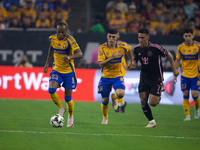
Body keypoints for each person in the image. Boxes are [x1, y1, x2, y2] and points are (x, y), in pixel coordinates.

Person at [132, 28, 179, 127]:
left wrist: (174, 69)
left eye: (142, 38)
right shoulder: (136, 49)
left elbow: (169, 55)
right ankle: (152, 121)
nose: (140, 40)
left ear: (148, 37)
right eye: (139, 37)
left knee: (153, 103)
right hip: (144, 77)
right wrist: (132, 64)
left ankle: (158, 94)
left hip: (156, 78)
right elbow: (135, 61)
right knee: (143, 100)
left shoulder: (155, 47)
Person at [43, 22, 83, 127]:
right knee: (51, 90)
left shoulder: (70, 40)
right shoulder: (52, 39)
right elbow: (51, 49)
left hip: (69, 72)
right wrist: (47, 63)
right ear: (56, 31)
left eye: (62, 32)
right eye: (58, 32)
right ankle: (61, 109)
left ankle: (70, 117)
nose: (60, 34)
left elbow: (80, 54)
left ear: (66, 31)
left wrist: (69, 57)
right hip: (56, 70)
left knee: (68, 99)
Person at [98, 29, 134, 124]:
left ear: (117, 37)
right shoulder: (102, 48)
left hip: (117, 75)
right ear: (107, 36)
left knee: (121, 93)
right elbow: (101, 64)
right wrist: (110, 58)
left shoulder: (123, 45)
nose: (111, 39)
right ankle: (105, 118)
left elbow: (129, 50)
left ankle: (114, 97)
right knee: (105, 100)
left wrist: (131, 61)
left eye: (113, 37)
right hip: (105, 76)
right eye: (109, 36)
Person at [173, 29, 200, 121]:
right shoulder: (180, 47)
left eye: (189, 36)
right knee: (185, 94)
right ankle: (187, 115)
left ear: (193, 36)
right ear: (183, 37)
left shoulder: (198, 46)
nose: (187, 38)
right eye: (186, 36)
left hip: (196, 74)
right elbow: (177, 61)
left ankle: (197, 109)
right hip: (185, 74)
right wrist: (175, 74)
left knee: (195, 94)